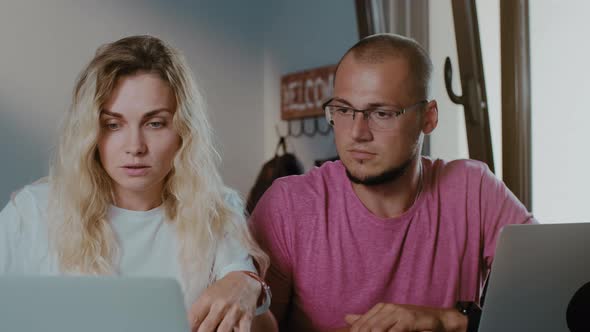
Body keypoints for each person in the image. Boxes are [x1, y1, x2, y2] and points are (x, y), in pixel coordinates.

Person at [250, 33, 534, 332]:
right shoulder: (289, 205)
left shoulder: (474, 190)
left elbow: (552, 301)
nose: (357, 132)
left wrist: (447, 320)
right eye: (344, 110)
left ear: (428, 117)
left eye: (381, 113)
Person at [0, 35, 276, 332]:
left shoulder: (215, 210)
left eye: (155, 123)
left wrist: (249, 286)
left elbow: (264, 329)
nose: (135, 146)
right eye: (113, 125)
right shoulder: (31, 213)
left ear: (183, 130)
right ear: (91, 132)